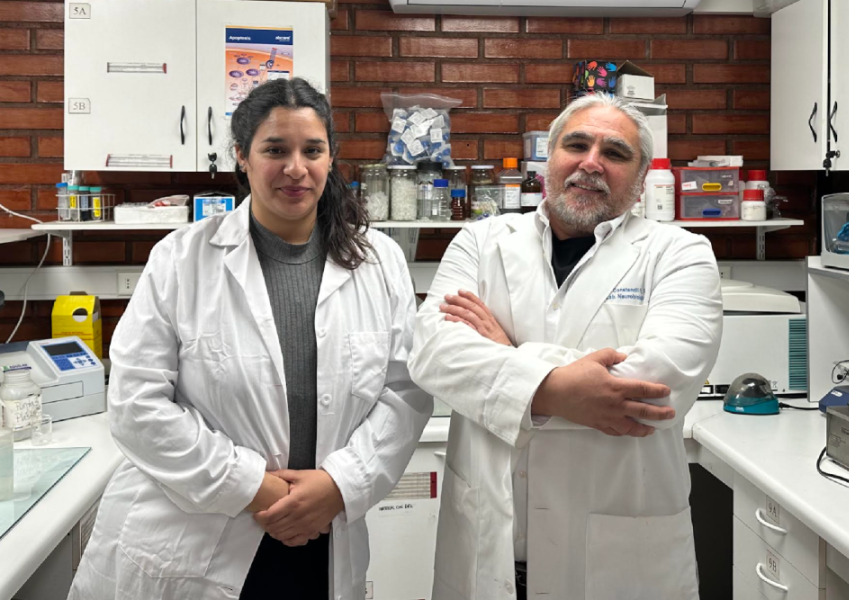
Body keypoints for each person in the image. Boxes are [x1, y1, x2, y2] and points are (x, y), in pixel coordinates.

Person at [69, 78, 432, 600]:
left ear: (331, 157)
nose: (295, 168)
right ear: (241, 155)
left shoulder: (380, 262)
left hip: (322, 537)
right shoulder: (182, 259)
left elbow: (404, 393)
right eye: (274, 150)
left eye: (312, 150)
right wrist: (251, 486)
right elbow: (135, 404)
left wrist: (339, 485)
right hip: (192, 536)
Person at [409, 93, 723, 600]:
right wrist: (563, 388)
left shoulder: (680, 255)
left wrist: (510, 357)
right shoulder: (480, 241)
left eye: (616, 153)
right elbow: (432, 352)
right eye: (576, 144)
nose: (591, 162)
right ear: (549, 160)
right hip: (491, 544)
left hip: (616, 557)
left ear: (641, 179)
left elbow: (654, 387)